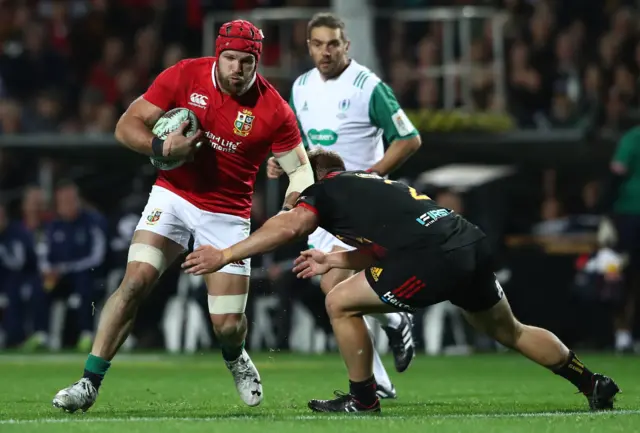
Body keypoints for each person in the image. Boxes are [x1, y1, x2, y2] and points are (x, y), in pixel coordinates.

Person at [184, 148, 620, 414]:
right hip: (464, 241)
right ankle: (589, 382)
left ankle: (363, 398)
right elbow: (384, 246)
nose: (292, 195)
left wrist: (224, 254)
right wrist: (333, 257)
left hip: (429, 258)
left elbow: (289, 228)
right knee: (510, 330)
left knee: (338, 302)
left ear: (310, 177)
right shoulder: (370, 184)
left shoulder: (322, 190)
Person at [52, 20, 314, 413]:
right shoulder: (185, 74)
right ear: (217, 54)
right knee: (135, 282)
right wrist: (161, 145)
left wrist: (293, 200)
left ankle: (235, 356)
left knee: (226, 325)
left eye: (246, 62)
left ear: (257, 62)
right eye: (229, 59)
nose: (237, 70)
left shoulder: (274, 108)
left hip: (226, 214)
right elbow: (126, 126)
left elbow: (301, 169)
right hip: (173, 196)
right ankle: (88, 381)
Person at [266, 12, 421, 398]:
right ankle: (386, 354)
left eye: (333, 43)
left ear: (346, 45)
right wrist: (280, 162)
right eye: (318, 44)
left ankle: (388, 340)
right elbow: (297, 145)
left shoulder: (368, 86)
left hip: (363, 206)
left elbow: (408, 138)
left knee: (336, 284)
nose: (326, 51)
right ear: (309, 46)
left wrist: (370, 175)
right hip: (322, 206)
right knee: (334, 291)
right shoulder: (300, 87)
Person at [598, 126, 640, 353]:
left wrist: (603, 210)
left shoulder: (632, 137)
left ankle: (623, 334)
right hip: (629, 215)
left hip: (629, 216)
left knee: (620, 275)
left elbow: (617, 173)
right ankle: (630, 335)